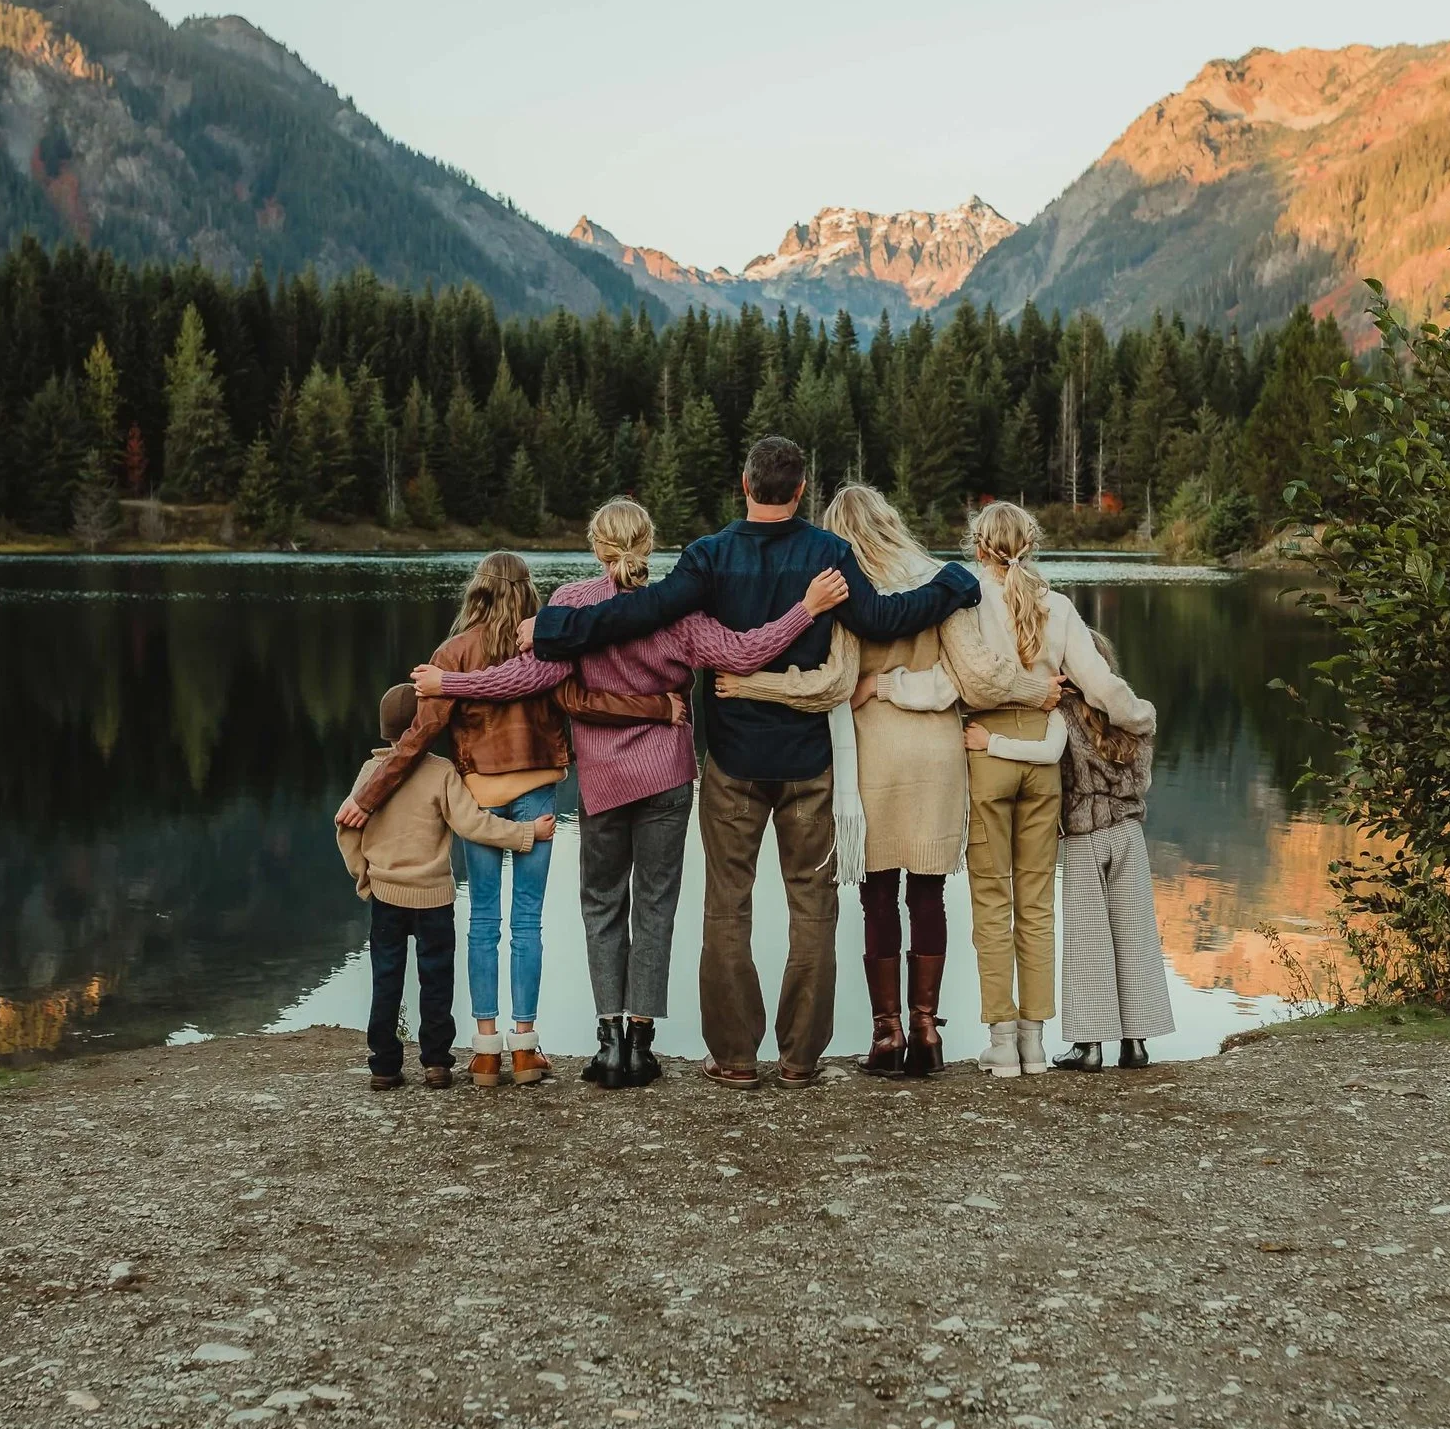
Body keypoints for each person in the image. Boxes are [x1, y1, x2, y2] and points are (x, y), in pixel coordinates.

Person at [521, 437, 979, 1088]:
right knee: (812, 908)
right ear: (800, 491)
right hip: (807, 761)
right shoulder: (828, 555)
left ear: (744, 483)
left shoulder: (709, 556)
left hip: (733, 760)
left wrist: (550, 630)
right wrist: (958, 582)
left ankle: (734, 1058)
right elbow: (884, 619)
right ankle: (800, 1060)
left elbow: (640, 612)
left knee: (728, 908)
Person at [413, 498, 851, 1089]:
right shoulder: (679, 609)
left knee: (601, 904)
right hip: (668, 778)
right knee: (655, 905)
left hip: (604, 782)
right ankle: (642, 1043)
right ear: (649, 545)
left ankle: (608, 1042)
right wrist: (806, 609)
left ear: (597, 548)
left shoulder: (571, 606)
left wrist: (451, 682)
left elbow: (527, 678)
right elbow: (748, 652)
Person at [717, 484, 1057, 1079]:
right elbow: (978, 677)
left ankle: (886, 1035)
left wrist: (752, 685)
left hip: (871, 758)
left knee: (877, 894)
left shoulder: (846, 586)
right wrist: (1037, 692)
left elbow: (830, 686)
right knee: (928, 892)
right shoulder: (941, 579)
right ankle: (927, 1030)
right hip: (936, 758)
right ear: (892, 520)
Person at [340, 552, 669, 1089]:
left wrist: (369, 794)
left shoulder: (453, 654)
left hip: (480, 799)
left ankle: (485, 1051)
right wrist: (659, 710)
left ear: (478, 593)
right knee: (527, 925)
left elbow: (416, 739)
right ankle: (524, 1048)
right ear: (526, 593)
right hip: (538, 795)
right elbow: (583, 702)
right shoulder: (545, 644)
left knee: (484, 922)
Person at [959, 501, 1156, 1077]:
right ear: (1033, 543)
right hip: (1045, 763)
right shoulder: (1060, 607)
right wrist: (1140, 717)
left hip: (987, 748)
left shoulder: (964, 601)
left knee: (992, 902)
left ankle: (1002, 1043)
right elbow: (1099, 685)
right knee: (1037, 905)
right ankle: (1037, 1044)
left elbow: (959, 679)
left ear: (977, 546)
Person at [335, 683, 555, 1090]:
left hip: (386, 898)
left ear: (385, 732)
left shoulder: (370, 774)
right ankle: (436, 1063)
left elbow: (346, 829)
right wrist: (526, 834)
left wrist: (365, 877)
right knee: (436, 981)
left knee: (386, 980)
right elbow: (473, 824)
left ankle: (384, 1066)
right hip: (434, 899)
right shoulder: (440, 773)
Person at [1046, 628, 1171, 1070]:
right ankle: (1136, 1043)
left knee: (1087, 939)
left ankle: (1089, 1045)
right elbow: (1144, 780)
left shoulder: (1057, 714)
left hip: (1083, 835)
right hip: (1129, 834)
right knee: (1134, 935)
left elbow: (1055, 779)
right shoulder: (1131, 714)